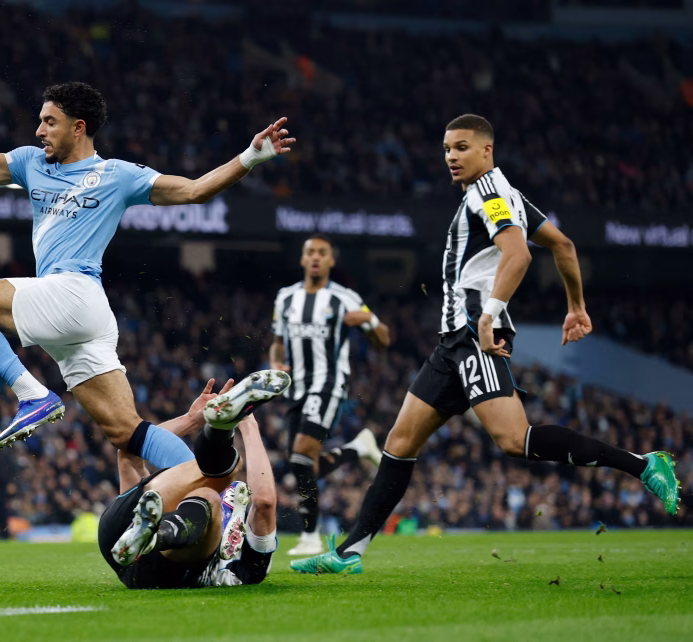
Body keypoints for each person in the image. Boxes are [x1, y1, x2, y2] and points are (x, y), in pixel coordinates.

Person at [291, 114, 680, 575]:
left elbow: (518, 254)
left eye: (460, 147)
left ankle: (643, 464)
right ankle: (350, 551)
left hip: (477, 333)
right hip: (453, 342)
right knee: (398, 442)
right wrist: (575, 305)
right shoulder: (507, 194)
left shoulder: (490, 194)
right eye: (446, 149)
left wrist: (491, 314)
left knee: (514, 440)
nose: (451, 157)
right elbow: (565, 246)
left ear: (486, 150)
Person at [0, 81, 294, 473]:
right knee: (128, 433)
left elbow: (194, 191)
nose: (39, 131)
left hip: (73, 292)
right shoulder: (30, 163)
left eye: (49, 122)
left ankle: (31, 395)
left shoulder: (117, 175)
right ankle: (221, 492)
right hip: (84, 316)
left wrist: (251, 155)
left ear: (78, 127)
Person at [100, 370, 288, 589]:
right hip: (140, 539)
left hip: (133, 544)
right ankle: (220, 427)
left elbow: (264, 501)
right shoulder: (212, 488)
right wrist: (193, 420)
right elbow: (263, 501)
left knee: (212, 487)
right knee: (210, 479)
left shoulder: (252, 567)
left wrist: (247, 422)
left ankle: (222, 428)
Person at [270, 234, 390, 555]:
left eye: (322, 253)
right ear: (302, 258)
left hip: (328, 384)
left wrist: (371, 319)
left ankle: (310, 537)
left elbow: (384, 340)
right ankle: (357, 448)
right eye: (310, 252)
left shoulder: (345, 297)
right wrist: (275, 363)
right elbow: (277, 341)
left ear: (331, 261)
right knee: (303, 465)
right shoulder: (285, 298)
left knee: (299, 459)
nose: (316, 258)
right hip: (296, 389)